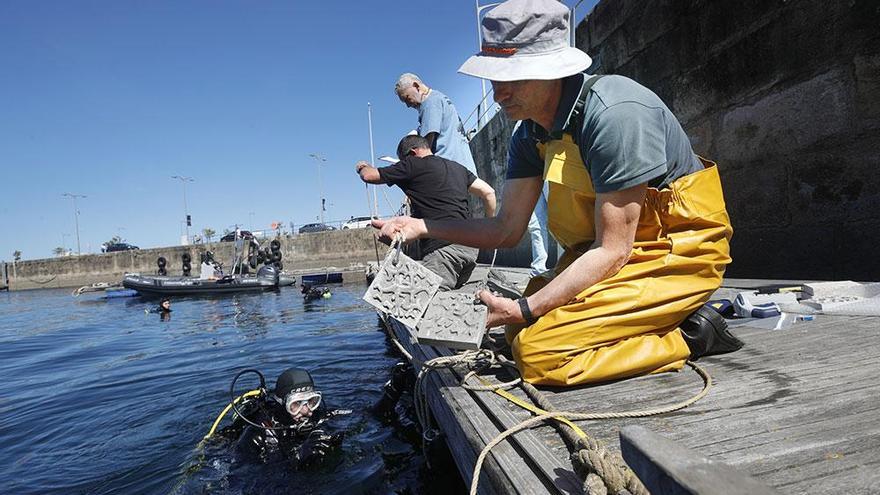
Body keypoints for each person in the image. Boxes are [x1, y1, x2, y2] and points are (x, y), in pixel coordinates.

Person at [375, 0, 742, 387]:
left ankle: (691, 335)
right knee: (517, 333)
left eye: (510, 79)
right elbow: (505, 229)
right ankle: (645, 318)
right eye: (495, 80)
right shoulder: (530, 134)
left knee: (539, 353)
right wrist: (420, 226)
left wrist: (524, 307)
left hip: (673, 254)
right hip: (603, 254)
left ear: (552, 71)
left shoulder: (614, 113)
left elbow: (615, 249)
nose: (498, 95)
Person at [357, 134, 497, 290]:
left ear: (412, 153)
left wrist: (362, 166)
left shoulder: (412, 164)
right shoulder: (458, 168)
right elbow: (489, 193)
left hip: (442, 252)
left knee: (421, 304)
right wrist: (490, 230)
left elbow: (369, 176)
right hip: (470, 250)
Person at [217, 367, 344, 466]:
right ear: (282, 404)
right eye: (296, 404)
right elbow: (247, 478)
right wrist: (295, 460)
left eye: (311, 401)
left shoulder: (318, 416)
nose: (306, 411)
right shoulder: (257, 434)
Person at [395, 73, 479, 176]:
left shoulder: (429, 104)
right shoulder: (439, 97)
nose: (408, 105)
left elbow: (424, 148)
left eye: (407, 98)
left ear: (416, 86)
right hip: (464, 166)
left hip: (449, 172)